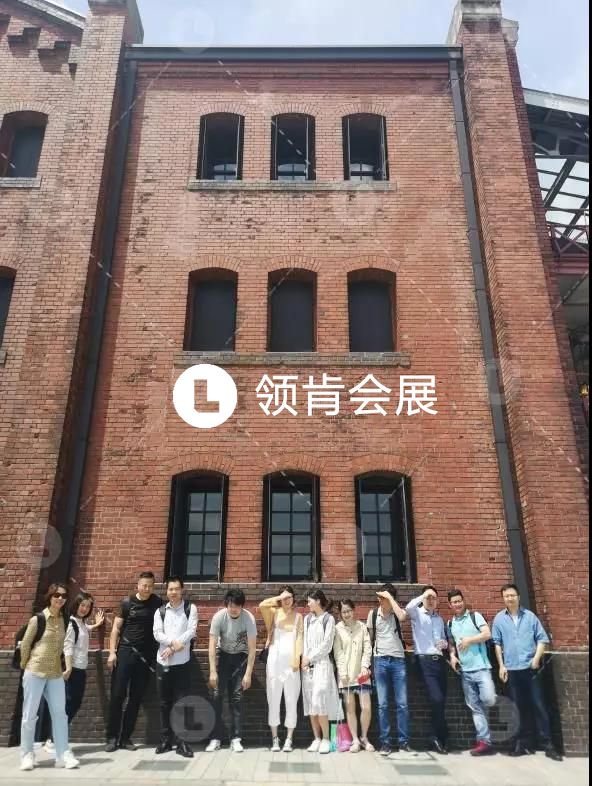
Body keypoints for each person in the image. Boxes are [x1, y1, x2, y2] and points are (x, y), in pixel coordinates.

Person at [491, 583, 562, 761]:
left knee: (539, 706)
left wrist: (536, 658)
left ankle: (547, 744)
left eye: (512, 595)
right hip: (512, 670)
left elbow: (542, 639)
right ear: (503, 599)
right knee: (517, 709)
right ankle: (521, 744)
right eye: (506, 596)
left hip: (531, 670)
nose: (510, 598)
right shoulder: (499, 619)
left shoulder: (530, 616)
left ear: (518, 597)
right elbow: (497, 644)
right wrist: (501, 666)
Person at [19, 583, 79, 771]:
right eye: (57, 595)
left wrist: (67, 665)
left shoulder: (65, 620)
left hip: (55, 673)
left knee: (60, 715)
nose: (60, 599)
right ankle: (27, 755)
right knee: (29, 715)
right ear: (50, 597)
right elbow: (25, 644)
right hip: (35, 671)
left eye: (64, 596)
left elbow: (67, 645)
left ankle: (63, 754)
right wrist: (25, 666)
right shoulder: (38, 619)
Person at [105, 571, 162, 752]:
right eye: (144, 585)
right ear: (138, 585)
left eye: (150, 586)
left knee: (135, 698)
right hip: (125, 653)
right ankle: (112, 737)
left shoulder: (157, 603)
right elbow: (116, 629)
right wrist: (112, 653)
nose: (147, 589)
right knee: (117, 695)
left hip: (145, 657)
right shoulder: (127, 603)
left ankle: (125, 738)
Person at [44, 591, 104, 755]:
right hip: (73, 670)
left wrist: (96, 625)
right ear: (76, 605)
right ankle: (53, 740)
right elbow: (68, 646)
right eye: (82, 605)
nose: (85, 609)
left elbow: (85, 630)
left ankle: (55, 739)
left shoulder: (81, 623)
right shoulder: (71, 623)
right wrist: (69, 668)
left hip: (80, 670)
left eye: (88, 606)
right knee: (69, 705)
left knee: (73, 704)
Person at [206, 589, 257, 753]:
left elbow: (252, 648)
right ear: (226, 605)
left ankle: (236, 738)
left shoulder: (248, 618)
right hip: (223, 656)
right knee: (216, 695)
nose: (233, 609)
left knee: (237, 697)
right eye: (230, 605)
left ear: (242, 606)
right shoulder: (219, 617)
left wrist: (248, 673)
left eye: (237, 606)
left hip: (241, 658)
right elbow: (212, 645)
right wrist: (212, 671)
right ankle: (215, 738)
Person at [447, 589, 496, 756]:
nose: (457, 604)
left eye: (459, 601)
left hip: (481, 668)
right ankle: (484, 742)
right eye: (454, 602)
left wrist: (470, 640)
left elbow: (487, 634)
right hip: (465, 672)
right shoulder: (450, 623)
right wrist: (452, 656)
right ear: (450, 605)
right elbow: (451, 643)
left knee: (488, 699)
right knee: (475, 708)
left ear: (463, 601)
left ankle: (485, 736)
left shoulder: (475, 616)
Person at [153, 577, 198, 758]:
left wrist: (173, 648)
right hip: (163, 663)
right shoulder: (160, 611)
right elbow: (157, 633)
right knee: (164, 703)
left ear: (182, 590)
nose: (173, 592)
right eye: (170, 589)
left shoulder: (190, 608)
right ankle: (165, 741)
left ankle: (182, 742)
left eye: (176, 589)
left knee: (182, 703)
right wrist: (173, 644)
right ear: (167, 591)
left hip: (182, 663)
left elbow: (191, 631)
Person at [367, 584, 412, 756]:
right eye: (379, 597)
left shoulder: (396, 612)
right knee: (383, 704)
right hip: (380, 661)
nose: (380, 600)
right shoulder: (373, 614)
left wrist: (391, 599)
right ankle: (385, 743)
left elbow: (403, 617)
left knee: (402, 704)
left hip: (398, 660)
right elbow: (370, 639)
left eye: (383, 597)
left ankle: (403, 742)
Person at [405, 585, 449, 754]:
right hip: (424, 661)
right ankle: (437, 736)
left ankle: (439, 736)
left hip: (440, 661)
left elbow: (443, 640)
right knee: (436, 699)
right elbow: (408, 608)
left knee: (441, 701)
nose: (431, 600)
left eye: (433, 598)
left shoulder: (439, 619)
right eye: (428, 598)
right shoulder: (417, 613)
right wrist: (423, 595)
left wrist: (444, 644)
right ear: (423, 599)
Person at [259, 587, 303, 753]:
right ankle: (275, 738)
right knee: (273, 699)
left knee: (291, 700)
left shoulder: (299, 617)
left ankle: (289, 739)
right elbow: (262, 605)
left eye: (289, 596)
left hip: (291, 664)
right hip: (274, 663)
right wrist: (279, 597)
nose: (286, 600)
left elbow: (299, 639)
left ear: (294, 598)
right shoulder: (274, 613)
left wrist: (296, 659)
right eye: (284, 597)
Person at [302, 590, 342, 754]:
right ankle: (316, 738)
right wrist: (304, 659)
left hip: (322, 665)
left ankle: (326, 738)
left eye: (310, 601)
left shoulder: (328, 619)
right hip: (307, 667)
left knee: (320, 700)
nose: (308, 604)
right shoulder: (307, 619)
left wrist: (310, 658)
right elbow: (305, 641)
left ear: (318, 601)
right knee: (311, 703)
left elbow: (327, 645)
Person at [334, 599, 373, 753]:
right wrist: (342, 672)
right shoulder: (337, 629)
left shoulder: (362, 627)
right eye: (344, 612)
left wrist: (365, 666)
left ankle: (364, 737)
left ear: (354, 610)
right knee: (350, 709)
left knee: (366, 707)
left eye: (349, 610)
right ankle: (355, 740)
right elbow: (338, 652)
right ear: (340, 613)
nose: (347, 614)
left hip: (362, 674)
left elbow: (367, 649)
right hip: (346, 675)